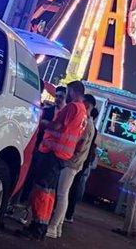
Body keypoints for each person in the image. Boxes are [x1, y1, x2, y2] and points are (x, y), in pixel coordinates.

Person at [16, 81, 87, 240]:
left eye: (68, 92)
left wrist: (40, 122)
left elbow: (56, 126)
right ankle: (40, 225)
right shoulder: (83, 112)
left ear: (73, 92)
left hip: (51, 153)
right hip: (60, 156)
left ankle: (37, 227)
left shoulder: (72, 107)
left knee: (42, 190)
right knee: (48, 192)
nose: (66, 96)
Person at [46, 94, 98, 238]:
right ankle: (58, 226)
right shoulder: (89, 124)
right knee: (64, 193)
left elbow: (80, 145)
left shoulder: (87, 124)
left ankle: (53, 226)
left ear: (87, 105)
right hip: (74, 163)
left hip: (71, 162)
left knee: (62, 194)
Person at [18, 86, 66, 204]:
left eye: (61, 96)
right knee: (31, 175)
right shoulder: (48, 110)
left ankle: (31, 205)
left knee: (43, 181)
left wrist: (48, 124)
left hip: (54, 153)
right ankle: (22, 201)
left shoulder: (66, 114)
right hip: (40, 147)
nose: (58, 99)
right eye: (57, 96)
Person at [64, 107, 99, 222]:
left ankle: (67, 214)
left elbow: (81, 144)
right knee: (76, 185)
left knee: (67, 190)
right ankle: (69, 213)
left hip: (78, 160)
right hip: (85, 160)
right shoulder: (94, 129)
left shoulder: (88, 126)